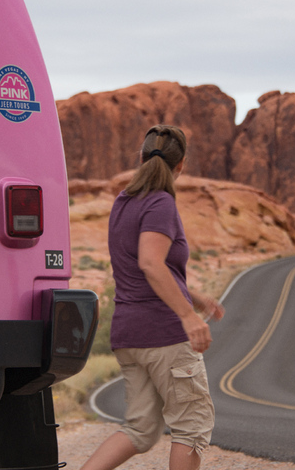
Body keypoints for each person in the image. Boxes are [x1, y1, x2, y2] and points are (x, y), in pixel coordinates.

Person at [80, 125, 225, 470]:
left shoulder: (123, 201)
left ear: (141, 156)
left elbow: (144, 265)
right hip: (165, 335)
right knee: (190, 428)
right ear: (182, 166)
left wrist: (196, 296)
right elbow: (149, 262)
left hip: (129, 334)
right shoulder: (160, 202)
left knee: (140, 430)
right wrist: (188, 316)